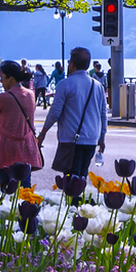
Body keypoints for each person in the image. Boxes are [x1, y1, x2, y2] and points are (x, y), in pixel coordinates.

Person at [39, 46, 108, 178]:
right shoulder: (98, 86)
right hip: (91, 139)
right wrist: (102, 137)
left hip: (70, 140)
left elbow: (55, 112)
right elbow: (103, 115)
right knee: (82, 176)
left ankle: (73, 198)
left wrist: (43, 132)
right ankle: (78, 197)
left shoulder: (65, 85)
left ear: (72, 65)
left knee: (71, 179)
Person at [0, 60, 43, 186]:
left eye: (2, 78)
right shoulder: (30, 94)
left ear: (10, 78)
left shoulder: (3, 97)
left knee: (5, 187)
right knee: (24, 187)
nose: (1, 82)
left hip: (6, 148)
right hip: (26, 148)